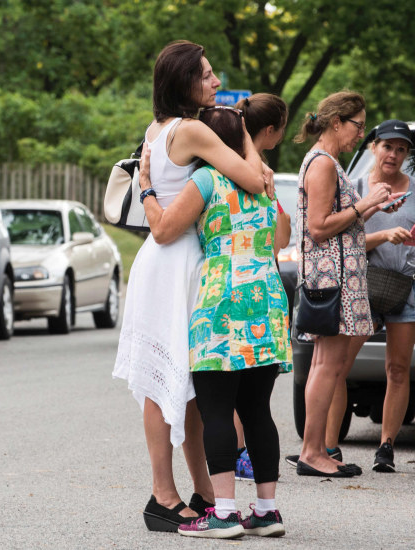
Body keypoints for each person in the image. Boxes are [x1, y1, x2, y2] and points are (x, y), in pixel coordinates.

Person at [112, 40, 265, 533]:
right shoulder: (193, 130)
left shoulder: (158, 128)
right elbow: (254, 179)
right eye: (206, 74)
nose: (216, 82)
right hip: (176, 262)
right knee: (164, 381)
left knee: (195, 387)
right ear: (184, 83)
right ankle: (163, 495)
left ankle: (200, 492)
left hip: (173, 262)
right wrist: (242, 131)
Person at [139, 104, 292, 539]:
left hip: (223, 303)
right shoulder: (262, 182)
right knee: (258, 411)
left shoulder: (206, 179)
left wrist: (148, 187)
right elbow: (282, 238)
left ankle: (223, 512)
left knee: (217, 408)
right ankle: (266, 511)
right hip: (268, 301)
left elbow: (165, 229)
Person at [291, 91, 406, 478]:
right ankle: (313, 451)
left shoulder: (326, 162)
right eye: (359, 126)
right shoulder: (323, 164)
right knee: (327, 365)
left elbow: (339, 219)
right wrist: (364, 203)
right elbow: (319, 227)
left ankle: (315, 449)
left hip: (337, 277)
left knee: (328, 364)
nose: (361, 134)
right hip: (333, 279)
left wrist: (375, 205)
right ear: (337, 122)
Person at [230, 93, 292, 483]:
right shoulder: (258, 174)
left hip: (231, 285)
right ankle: (241, 453)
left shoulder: (224, 163)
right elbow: (279, 239)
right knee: (249, 387)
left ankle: (240, 452)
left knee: (235, 381)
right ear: (269, 130)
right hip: (254, 286)